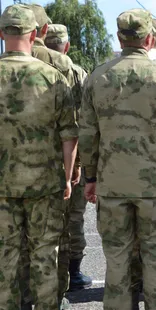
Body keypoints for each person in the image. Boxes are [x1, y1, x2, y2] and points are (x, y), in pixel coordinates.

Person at [78, 8, 156, 310]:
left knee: (116, 260)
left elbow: (88, 135)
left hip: (112, 184)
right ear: (150, 37)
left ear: (119, 37)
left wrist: (90, 178)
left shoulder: (98, 77)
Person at [0, 4, 78, 310]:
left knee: (5, 256)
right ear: (35, 34)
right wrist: (69, 177)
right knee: (45, 255)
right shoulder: (54, 78)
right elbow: (69, 135)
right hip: (45, 184)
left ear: (1, 33)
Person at [44, 23, 93, 293]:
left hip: (35, 159)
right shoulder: (77, 73)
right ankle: (72, 272)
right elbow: (86, 119)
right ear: (67, 46)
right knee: (73, 216)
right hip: (72, 157)